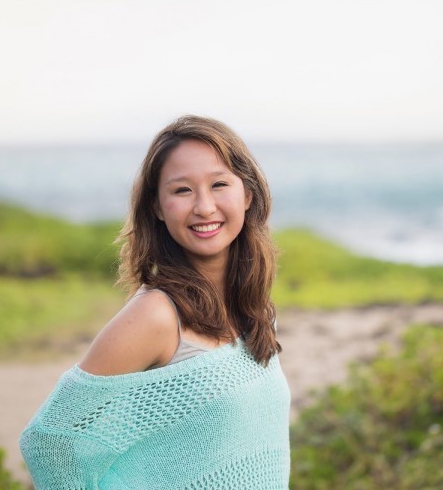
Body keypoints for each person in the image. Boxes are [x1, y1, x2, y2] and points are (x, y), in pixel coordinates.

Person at [19, 115, 291, 489]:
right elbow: (50, 444)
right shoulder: (158, 315)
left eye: (219, 184)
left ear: (247, 194)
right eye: (182, 191)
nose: (205, 207)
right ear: (158, 208)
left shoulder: (254, 308)